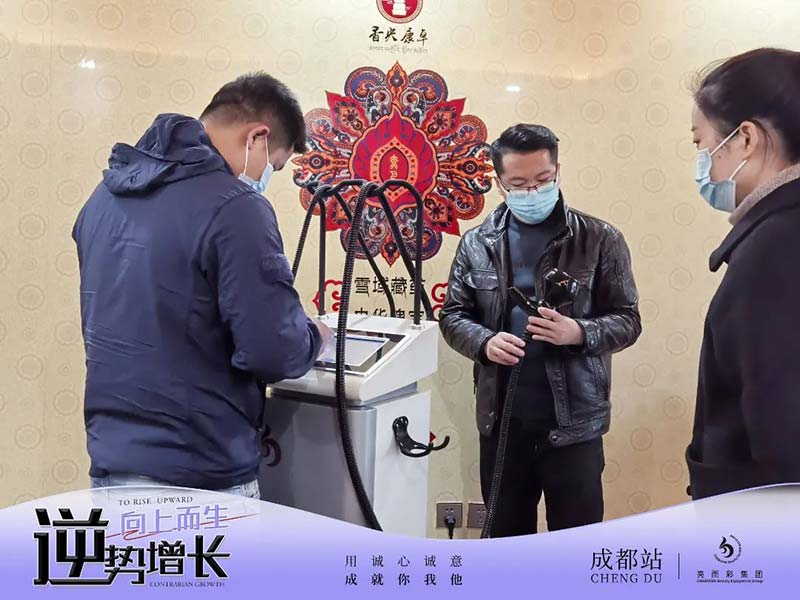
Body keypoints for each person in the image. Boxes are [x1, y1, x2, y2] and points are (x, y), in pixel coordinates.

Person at [72, 72, 333, 498]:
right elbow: (273, 350)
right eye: (274, 165)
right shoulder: (237, 208)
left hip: (113, 466)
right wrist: (315, 336)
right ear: (257, 138)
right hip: (200, 472)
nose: (266, 176)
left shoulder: (103, 199)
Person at [439, 124, 641, 536]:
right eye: (518, 184)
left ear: (557, 172)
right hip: (502, 424)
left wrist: (578, 332)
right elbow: (452, 315)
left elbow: (628, 320)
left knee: (577, 545)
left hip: (575, 425)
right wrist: (484, 342)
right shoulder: (477, 243)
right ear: (500, 184)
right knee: (506, 544)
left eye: (542, 180)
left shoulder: (600, 239)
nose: (531, 192)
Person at [686, 48, 800, 500]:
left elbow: (782, 425)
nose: (702, 162)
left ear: (745, 139)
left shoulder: (776, 245)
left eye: (701, 143)